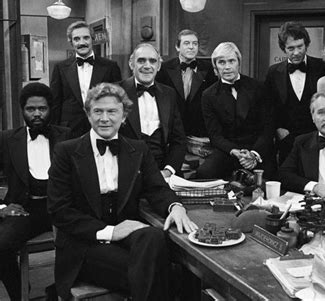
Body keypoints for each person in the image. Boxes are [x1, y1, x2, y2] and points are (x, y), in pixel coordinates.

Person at [48, 83, 198, 300]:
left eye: (112, 111)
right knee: (167, 272)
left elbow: (157, 188)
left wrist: (175, 207)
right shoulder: (66, 151)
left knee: (152, 236)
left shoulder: (138, 149)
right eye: (97, 111)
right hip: (85, 244)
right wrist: (110, 232)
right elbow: (58, 210)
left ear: (124, 116)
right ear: (88, 115)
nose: (104, 118)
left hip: (129, 237)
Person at [0, 83, 70, 301]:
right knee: (1, 247)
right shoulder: (7, 139)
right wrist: (2, 207)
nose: (37, 113)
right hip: (24, 209)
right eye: (31, 109)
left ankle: (58, 290)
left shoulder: (65, 136)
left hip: (60, 207)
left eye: (42, 108)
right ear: (22, 110)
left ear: (50, 109)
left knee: (85, 243)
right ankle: (19, 293)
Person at [197, 42, 276, 179]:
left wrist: (253, 154)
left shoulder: (258, 88)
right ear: (215, 66)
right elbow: (215, 136)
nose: (227, 67)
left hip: (257, 149)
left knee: (271, 178)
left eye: (231, 61)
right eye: (221, 62)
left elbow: (268, 128)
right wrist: (235, 152)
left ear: (238, 63)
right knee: (204, 173)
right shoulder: (208, 95)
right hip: (228, 151)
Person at [264, 22, 325, 165]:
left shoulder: (324, 67)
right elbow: (268, 106)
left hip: (317, 136)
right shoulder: (273, 72)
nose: (296, 52)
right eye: (290, 48)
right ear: (283, 49)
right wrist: (278, 130)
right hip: (287, 139)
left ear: (306, 44)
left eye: (300, 47)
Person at [120, 43, 186, 179]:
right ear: (131, 64)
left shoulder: (169, 94)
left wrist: (168, 171)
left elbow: (178, 140)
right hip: (126, 171)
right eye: (141, 61)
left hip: (163, 170)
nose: (147, 66)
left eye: (152, 61)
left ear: (159, 66)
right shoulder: (116, 92)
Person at [51, 21, 122, 138]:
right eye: (76, 39)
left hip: (102, 126)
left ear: (92, 39)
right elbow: (55, 103)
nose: (81, 43)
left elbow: (118, 100)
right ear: (71, 42)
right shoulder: (60, 68)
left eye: (86, 38)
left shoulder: (110, 67)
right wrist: (54, 131)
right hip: (70, 130)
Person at [157, 29, 217, 138]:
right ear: (177, 47)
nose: (191, 47)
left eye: (195, 43)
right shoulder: (164, 68)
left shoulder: (209, 69)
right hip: (172, 130)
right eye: (186, 43)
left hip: (200, 132)